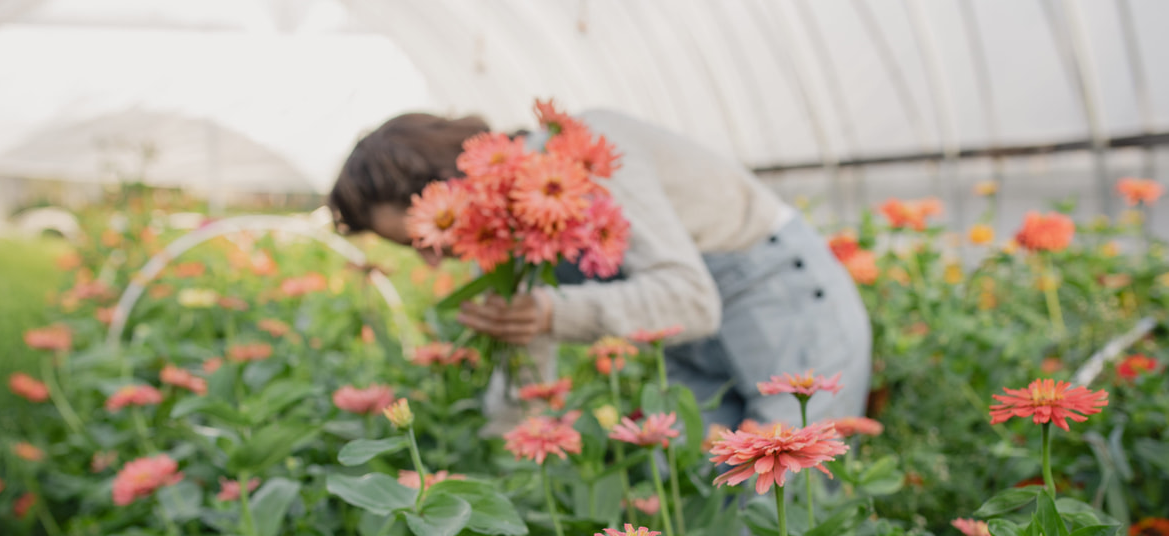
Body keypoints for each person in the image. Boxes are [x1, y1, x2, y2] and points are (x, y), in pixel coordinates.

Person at [329, 108, 872, 430]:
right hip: (689, 346)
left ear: (452, 181)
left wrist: (546, 312)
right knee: (693, 504)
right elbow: (532, 350)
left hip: (782, 300)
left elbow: (689, 299)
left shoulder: (578, 155)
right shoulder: (510, 225)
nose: (431, 259)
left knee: (790, 506)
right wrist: (509, 453)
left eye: (430, 235)